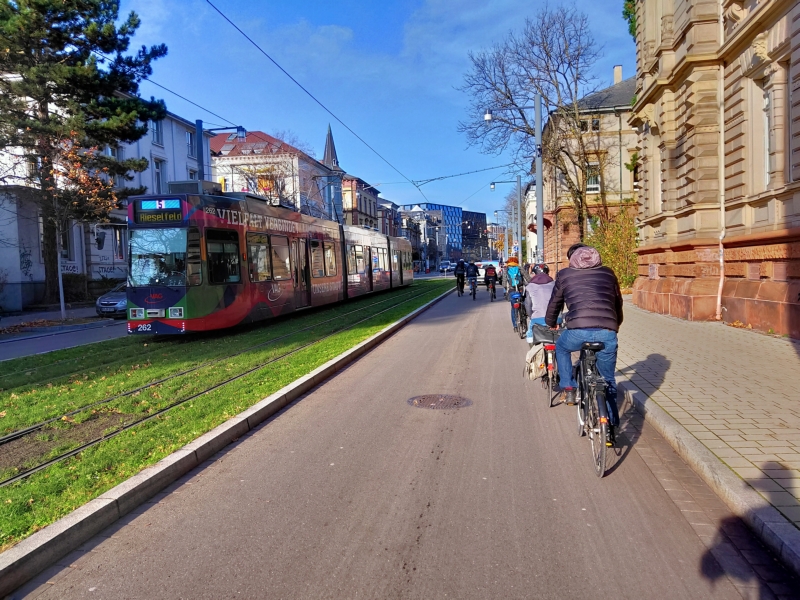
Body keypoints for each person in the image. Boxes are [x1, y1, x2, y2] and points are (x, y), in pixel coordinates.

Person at [545, 243, 624, 429]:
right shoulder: (608, 273)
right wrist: (616, 324)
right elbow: (617, 302)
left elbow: (555, 302)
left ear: (572, 259)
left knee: (562, 348)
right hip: (607, 332)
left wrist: (551, 322)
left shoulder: (564, 274)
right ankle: (611, 425)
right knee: (608, 379)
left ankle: (569, 386)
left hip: (577, 331)